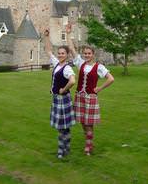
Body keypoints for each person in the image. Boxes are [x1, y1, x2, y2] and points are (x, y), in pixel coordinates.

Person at [66, 24, 114, 156]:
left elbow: (111, 79)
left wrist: (100, 88)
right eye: (85, 53)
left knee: (89, 122)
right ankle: (89, 141)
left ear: (93, 54)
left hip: (90, 97)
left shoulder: (99, 67)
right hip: (79, 97)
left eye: (89, 53)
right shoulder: (80, 63)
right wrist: (68, 33)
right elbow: (71, 48)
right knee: (82, 121)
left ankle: (88, 145)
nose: (86, 55)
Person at [44, 29, 76, 159]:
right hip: (57, 98)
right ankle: (66, 148)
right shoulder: (57, 63)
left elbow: (73, 80)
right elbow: (48, 51)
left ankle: (61, 151)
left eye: (63, 53)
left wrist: (63, 89)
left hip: (63, 98)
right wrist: (46, 37)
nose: (60, 55)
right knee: (64, 127)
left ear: (67, 55)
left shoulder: (67, 68)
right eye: (59, 53)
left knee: (62, 127)